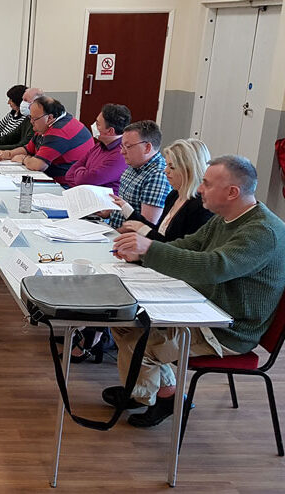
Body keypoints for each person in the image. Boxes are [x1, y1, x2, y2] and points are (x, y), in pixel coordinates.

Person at [109, 155, 285, 427]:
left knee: (140, 345)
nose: (200, 189)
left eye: (206, 183)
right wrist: (142, 254)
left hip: (228, 330)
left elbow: (214, 267)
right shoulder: (226, 216)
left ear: (232, 192)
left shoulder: (262, 231)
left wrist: (150, 249)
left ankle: (164, 397)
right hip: (204, 309)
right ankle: (145, 391)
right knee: (122, 324)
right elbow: (190, 245)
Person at [115, 139, 213, 242]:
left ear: (188, 171)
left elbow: (175, 247)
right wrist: (128, 211)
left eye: (172, 167)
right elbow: (158, 232)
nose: (165, 170)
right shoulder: (174, 195)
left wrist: (141, 228)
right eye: (167, 165)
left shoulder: (201, 207)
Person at [0, 96, 93, 183]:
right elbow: (28, 148)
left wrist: (23, 159)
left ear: (49, 118)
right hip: (51, 178)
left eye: (34, 119)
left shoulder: (59, 131)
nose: (31, 122)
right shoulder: (47, 125)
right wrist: (7, 154)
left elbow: (38, 165)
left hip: (65, 186)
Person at [104, 120, 170, 229]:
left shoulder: (157, 175)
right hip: (112, 229)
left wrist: (112, 234)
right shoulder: (133, 165)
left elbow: (146, 227)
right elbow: (125, 206)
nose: (122, 152)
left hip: (125, 240)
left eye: (128, 147)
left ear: (147, 147)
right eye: (122, 146)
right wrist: (109, 211)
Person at [60, 103, 131, 194]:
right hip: (83, 196)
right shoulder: (99, 146)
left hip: (104, 204)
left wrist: (82, 174)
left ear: (110, 131)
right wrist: (83, 176)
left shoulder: (120, 154)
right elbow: (70, 174)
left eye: (98, 124)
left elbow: (85, 180)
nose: (94, 126)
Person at [0, 87, 42, 153]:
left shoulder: (37, 123)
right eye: (22, 100)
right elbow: (10, 136)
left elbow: (23, 146)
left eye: (25, 100)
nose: (22, 103)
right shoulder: (28, 118)